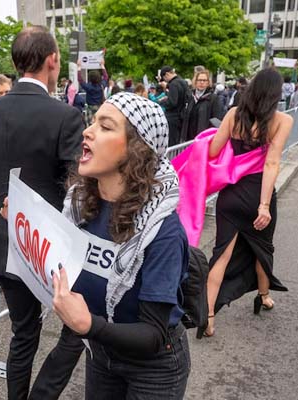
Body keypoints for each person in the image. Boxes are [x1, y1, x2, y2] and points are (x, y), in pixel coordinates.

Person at [0, 26, 84, 400]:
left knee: (23, 331)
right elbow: (79, 181)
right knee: (80, 325)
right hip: (52, 242)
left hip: (5, 235)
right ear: (53, 60)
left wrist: (3, 194)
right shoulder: (65, 115)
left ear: (14, 63)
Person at [44, 92, 190, 399]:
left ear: (136, 150)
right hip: (102, 354)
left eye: (105, 126)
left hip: (154, 368)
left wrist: (88, 325)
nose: (87, 130)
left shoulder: (162, 231)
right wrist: (19, 216)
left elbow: (153, 334)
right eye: (92, 121)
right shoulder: (79, 207)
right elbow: (49, 256)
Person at [202, 68, 291, 337]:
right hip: (256, 196)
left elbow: (214, 151)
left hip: (230, 196)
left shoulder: (232, 115)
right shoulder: (282, 121)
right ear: (275, 95)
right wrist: (264, 205)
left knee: (221, 254)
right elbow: (272, 163)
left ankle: (208, 317)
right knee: (262, 249)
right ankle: (264, 296)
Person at [184, 68, 224, 142]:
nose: (202, 82)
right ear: (195, 82)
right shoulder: (190, 97)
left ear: (208, 83)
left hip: (203, 139)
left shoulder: (213, 98)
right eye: (199, 80)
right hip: (188, 138)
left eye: (204, 80)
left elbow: (216, 120)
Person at [159, 65, 188, 146]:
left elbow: (172, 103)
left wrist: (163, 101)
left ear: (167, 74)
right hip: (181, 116)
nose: (165, 81)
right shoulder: (183, 82)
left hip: (173, 118)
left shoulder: (173, 84)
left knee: (171, 142)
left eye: (164, 78)